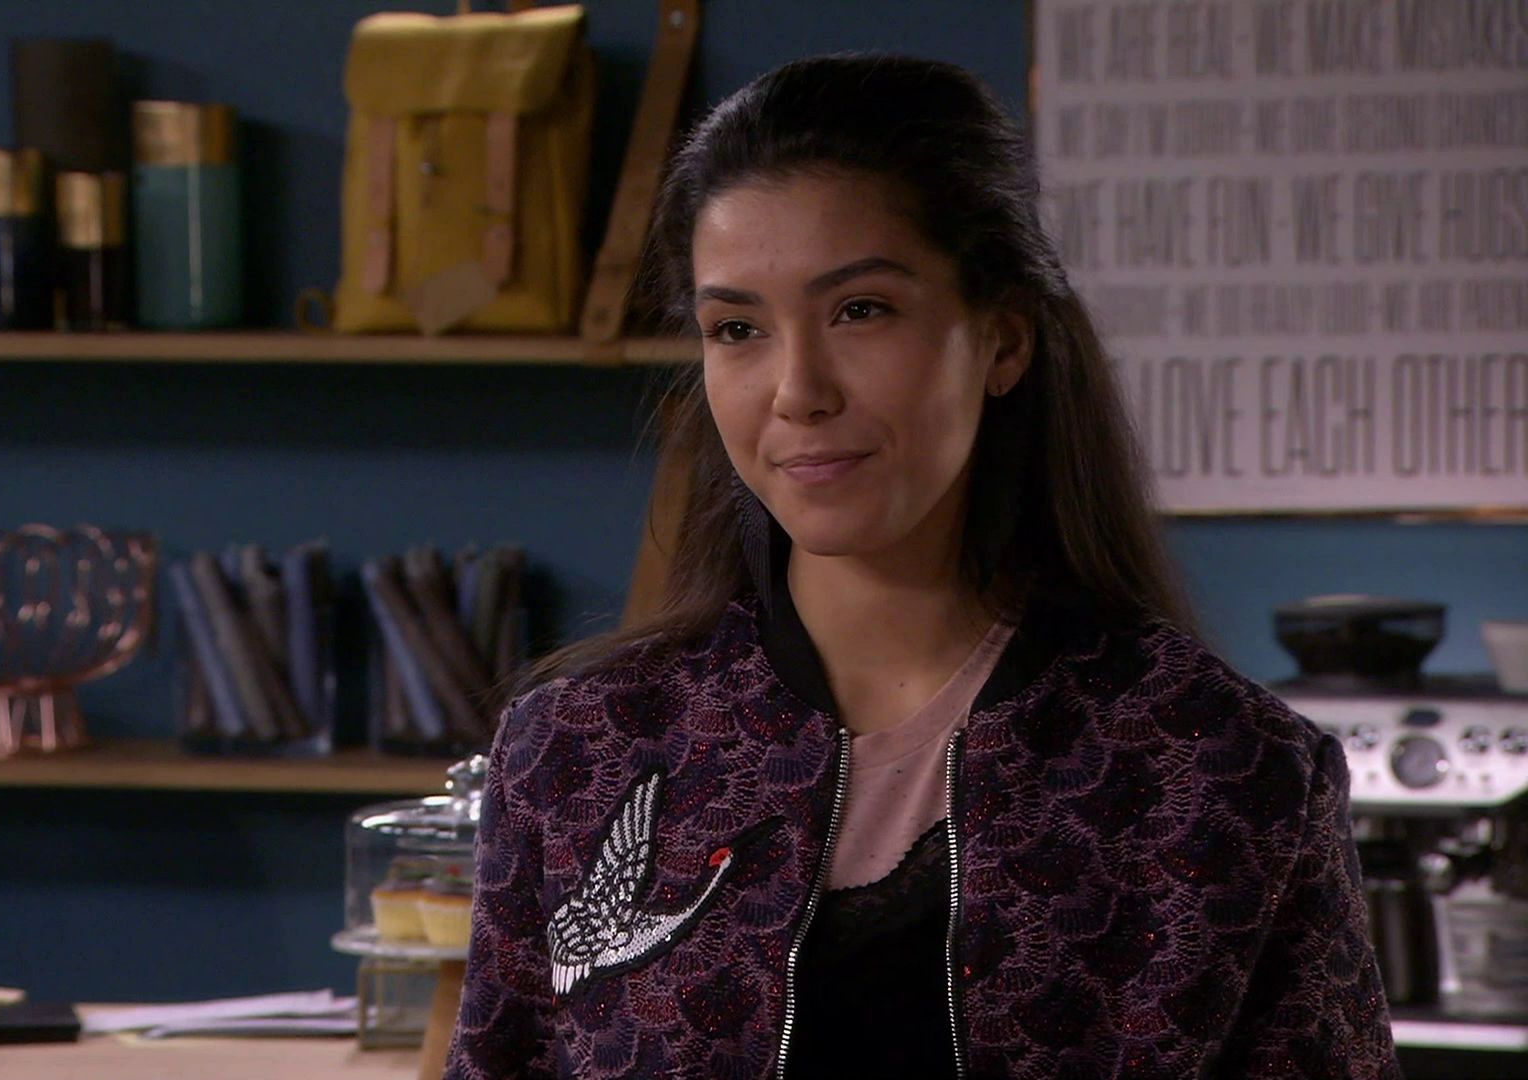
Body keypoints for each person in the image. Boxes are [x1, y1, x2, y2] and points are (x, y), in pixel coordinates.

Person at [443, 53, 1398, 1079]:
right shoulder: (578, 748)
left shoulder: (1222, 767)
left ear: (1003, 341)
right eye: (737, 329)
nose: (797, 390)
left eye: (861, 310)